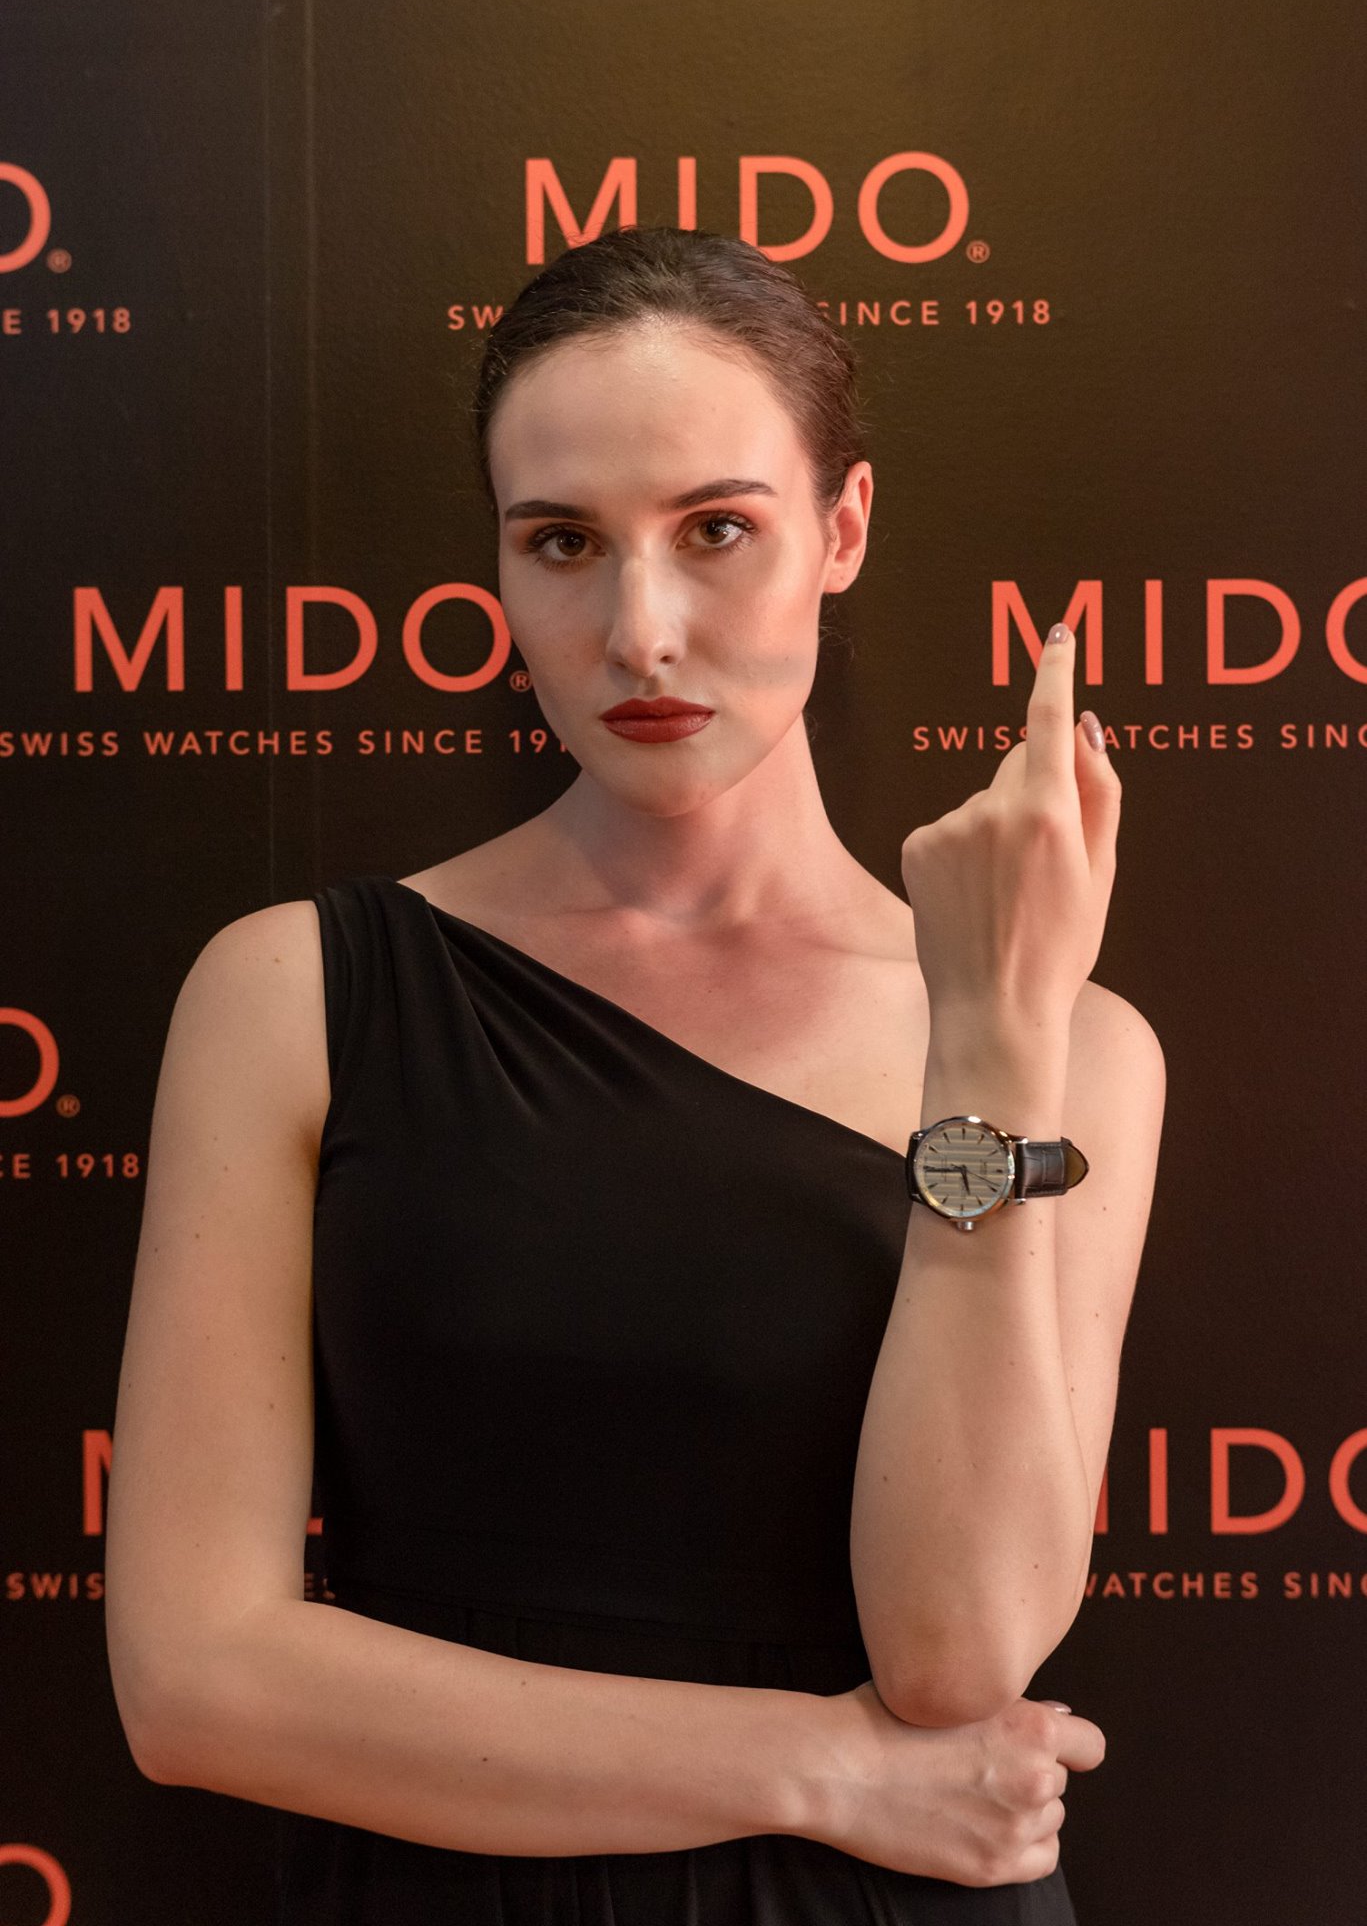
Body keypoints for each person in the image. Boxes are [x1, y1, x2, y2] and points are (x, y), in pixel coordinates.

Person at [104, 224, 1166, 1923]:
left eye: (717, 531)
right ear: (501, 566)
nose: (640, 630)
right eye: (564, 544)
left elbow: (958, 1654)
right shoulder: (296, 995)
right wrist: (823, 1770)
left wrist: (981, 1040)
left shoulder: (1072, 1045)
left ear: (842, 530)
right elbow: (194, 1683)